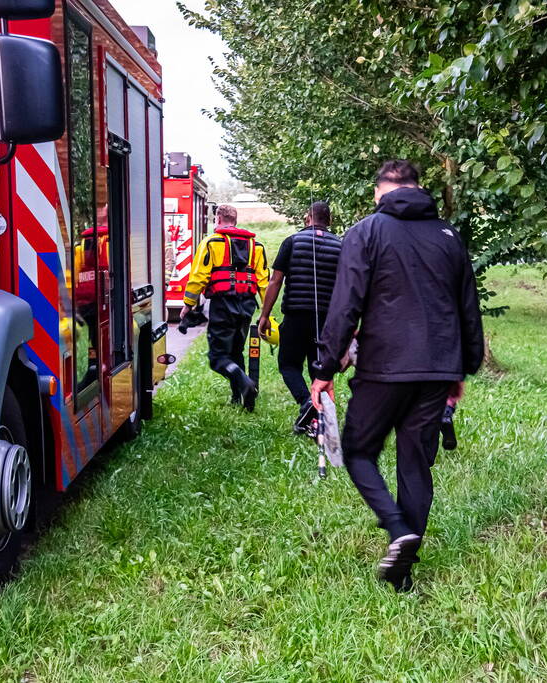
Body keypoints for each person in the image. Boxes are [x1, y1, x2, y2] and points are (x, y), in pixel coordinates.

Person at [310, 160, 485, 591]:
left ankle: (396, 528)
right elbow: (467, 305)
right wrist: (463, 367)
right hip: (437, 368)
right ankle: (403, 569)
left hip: (385, 365)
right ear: (417, 188)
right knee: (415, 462)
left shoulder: (367, 231)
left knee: (357, 450)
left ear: (379, 192)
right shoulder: (448, 236)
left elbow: (346, 303)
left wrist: (324, 368)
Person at [258, 201, 342, 433]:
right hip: (326, 319)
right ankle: (318, 420)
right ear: (330, 221)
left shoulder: (292, 242)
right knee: (319, 368)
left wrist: (264, 315)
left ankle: (307, 403)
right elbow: (348, 286)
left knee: (288, 364)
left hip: (295, 314)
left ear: (307, 218)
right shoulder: (340, 246)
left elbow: (275, 281)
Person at [182, 204, 269, 407]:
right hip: (246, 305)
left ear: (218, 220)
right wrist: (266, 312)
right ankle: (238, 398)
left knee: (217, 356)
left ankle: (246, 384)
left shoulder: (211, 243)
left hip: (222, 304)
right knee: (236, 351)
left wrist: (188, 304)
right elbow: (264, 281)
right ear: (235, 221)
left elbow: (198, 276)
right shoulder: (256, 246)